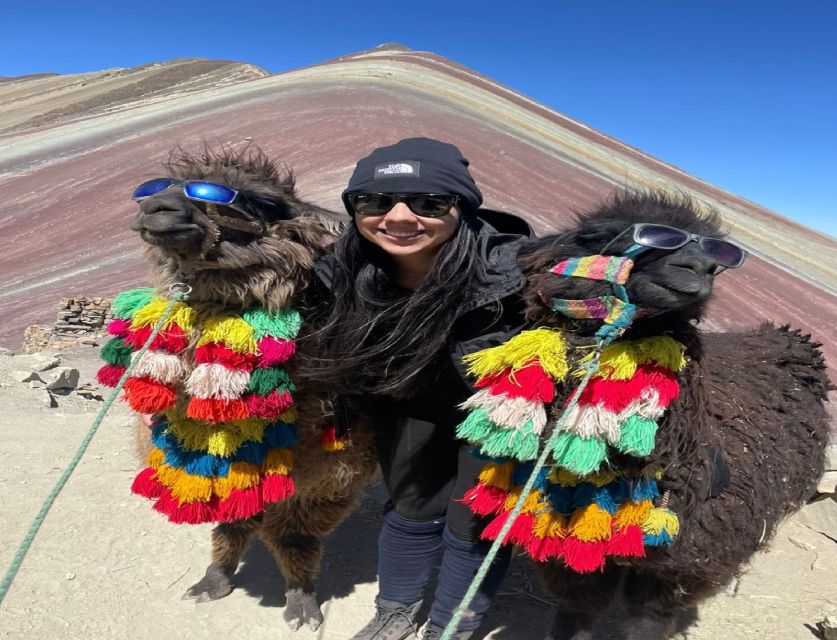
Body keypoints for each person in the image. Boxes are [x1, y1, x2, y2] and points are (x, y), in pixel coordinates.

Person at [301, 137, 534, 640]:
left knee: (473, 525)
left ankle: (450, 626)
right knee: (408, 510)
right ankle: (396, 611)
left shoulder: (522, 271)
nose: (400, 218)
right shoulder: (337, 268)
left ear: (463, 208)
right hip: (407, 404)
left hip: (498, 413)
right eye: (375, 201)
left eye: (430, 203)